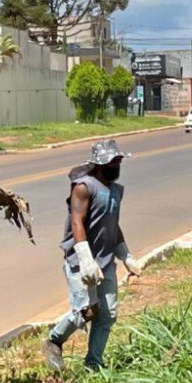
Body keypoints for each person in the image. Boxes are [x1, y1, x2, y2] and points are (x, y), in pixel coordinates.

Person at [42, 140, 142, 371]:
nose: (117, 165)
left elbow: (112, 224)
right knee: (87, 311)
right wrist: (86, 260)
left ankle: (94, 364)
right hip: (81, 262)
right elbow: (77, 222)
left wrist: (126, 256)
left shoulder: (116, 191)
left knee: (108, 314)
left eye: (119, 161)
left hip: (106, 262)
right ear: (99, 164)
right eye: (113, 161)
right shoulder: (83, 187)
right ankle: (54, 340)